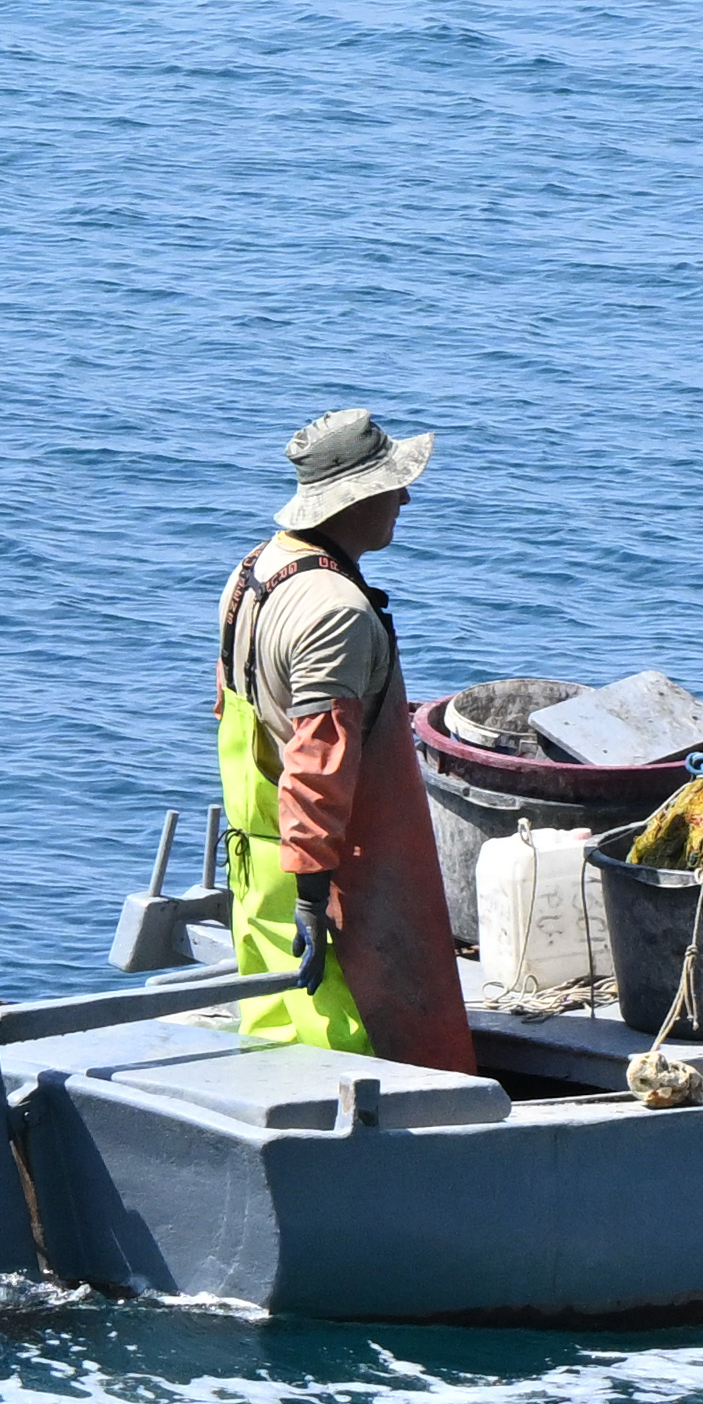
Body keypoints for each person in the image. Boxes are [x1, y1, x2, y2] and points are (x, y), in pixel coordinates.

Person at [215, 407, 478, 1074]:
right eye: (394, 484)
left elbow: (241, 708)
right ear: (353, 497)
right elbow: (318, 758)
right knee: (366, 1052)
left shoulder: (256, 571)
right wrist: (314, 897)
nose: (406, 497)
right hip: (334, 872)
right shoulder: (336, 611)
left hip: (260, 860)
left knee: (280, 1034)